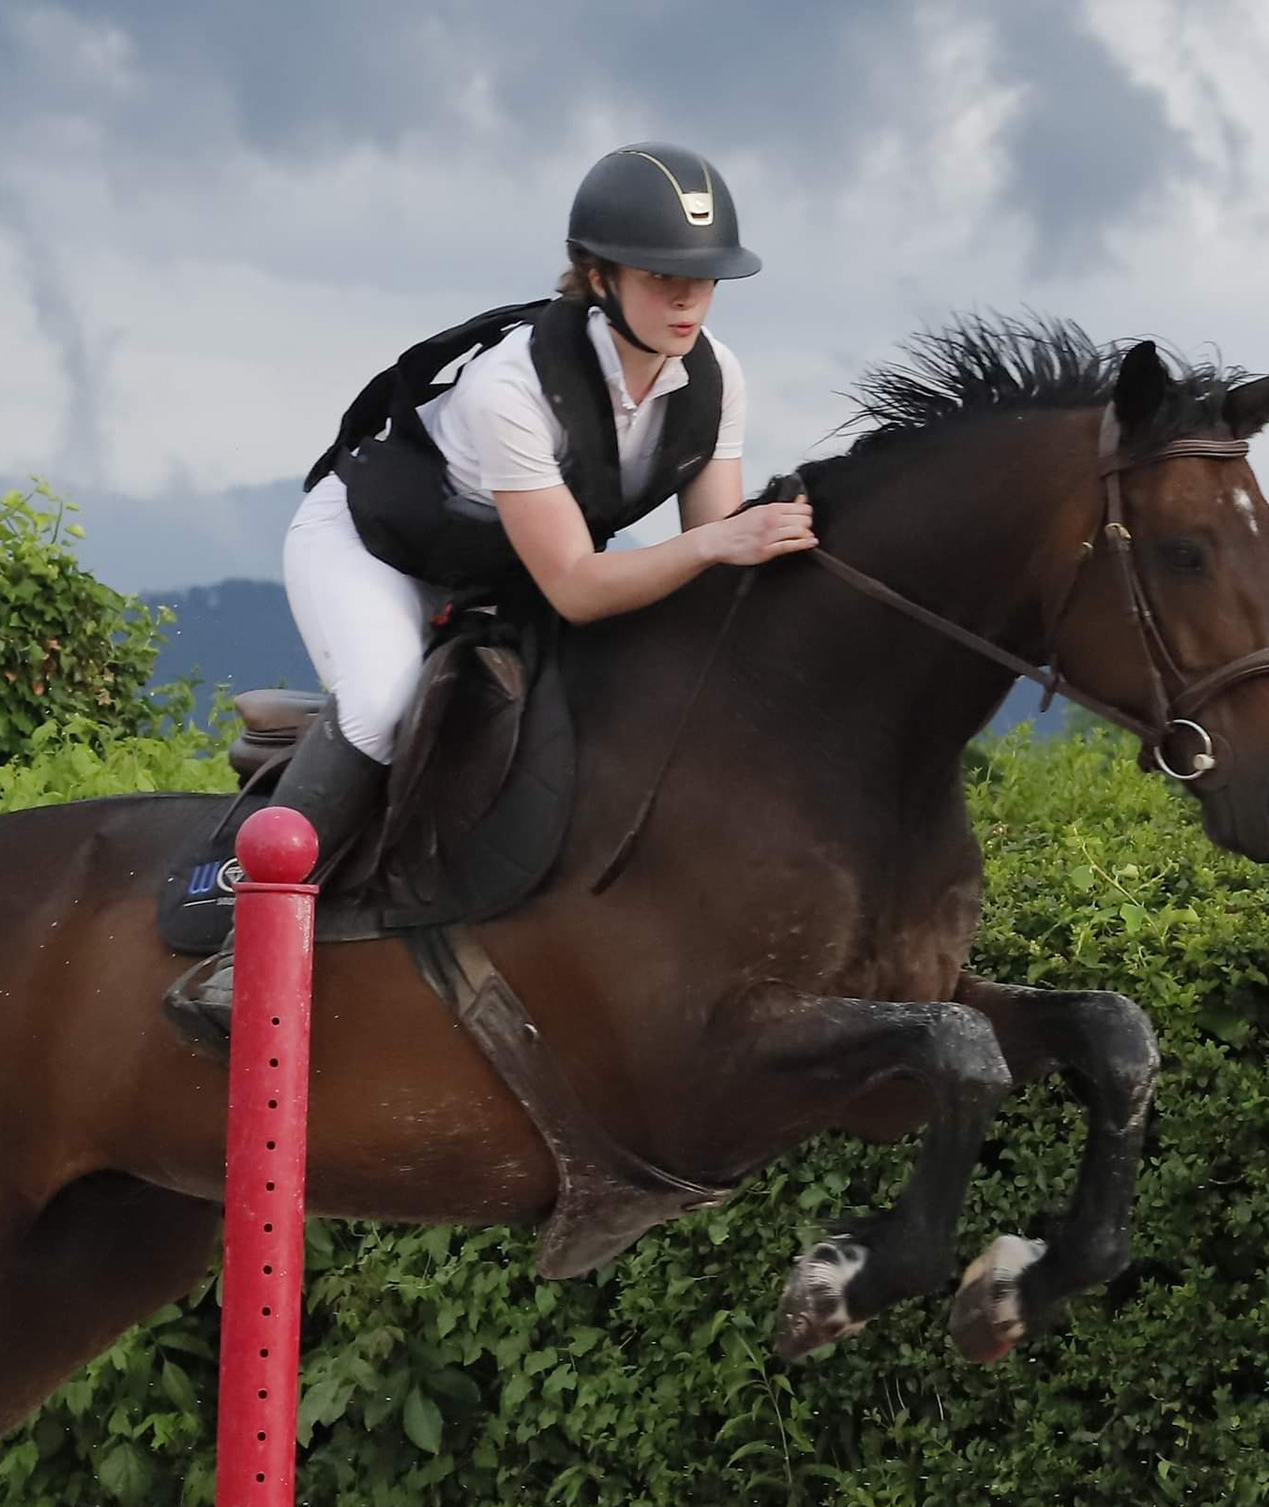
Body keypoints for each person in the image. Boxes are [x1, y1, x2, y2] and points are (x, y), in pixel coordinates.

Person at [169, 142, 819, 1041]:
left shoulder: (716, 379)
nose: (687, 299)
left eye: (704, 280)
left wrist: (778, 540)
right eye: (662, 275)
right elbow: (581, 588)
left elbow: (712, 552)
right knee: (386, 701)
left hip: (504, 565)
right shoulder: (512, 386)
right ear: (597, 276)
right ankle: (241, 948)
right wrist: (721, 541)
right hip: (371, 548)